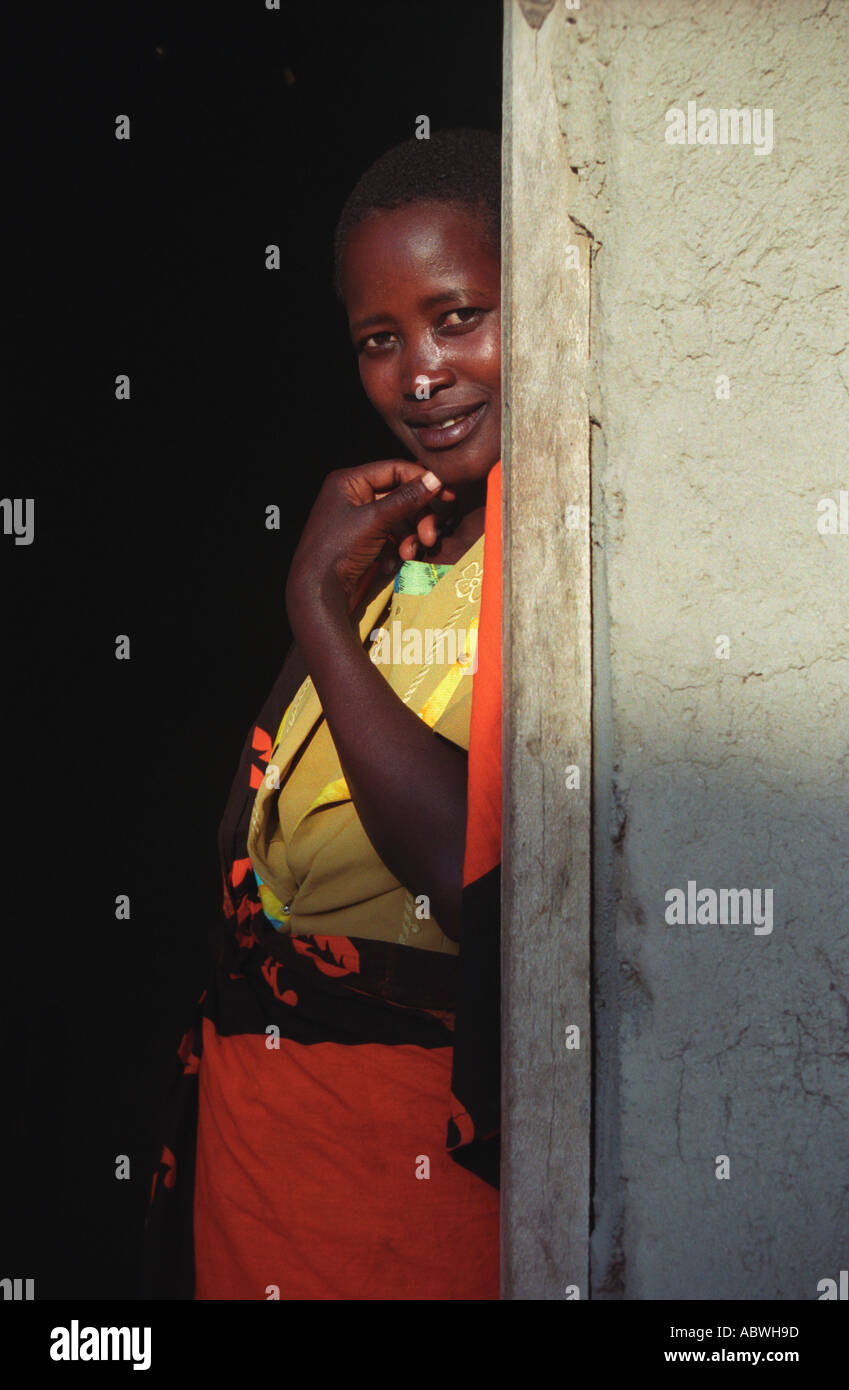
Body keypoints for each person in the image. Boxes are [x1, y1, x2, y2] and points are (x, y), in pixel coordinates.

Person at [141, 128, 503, 1301]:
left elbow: (469, 869)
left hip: (403, 1184)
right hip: (270, 1159)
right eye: (380, 341)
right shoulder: (408, 546)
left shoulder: (562, 569)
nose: (422, 374)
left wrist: (313, 608)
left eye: (460, 317)